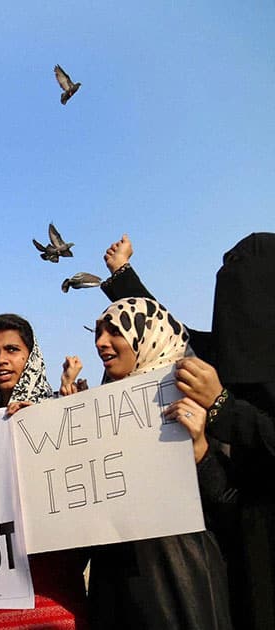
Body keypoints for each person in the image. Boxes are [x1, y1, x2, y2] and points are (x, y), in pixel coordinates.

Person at [102, 232, 275, 629]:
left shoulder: (223, 391)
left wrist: (224, 409)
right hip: (243, 563)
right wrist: (123, 277)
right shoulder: (224, 357)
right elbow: (163, 327)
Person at [66, 297, 232, 629]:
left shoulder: (197, 395)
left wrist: (199, 447)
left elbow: (230, 506)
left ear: (147, 336)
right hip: (114, 588)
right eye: (98, 333)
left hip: (179, 585)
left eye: (114, 331)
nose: (100, 342)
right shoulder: (97, 412)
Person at [0, 313, 89, 629]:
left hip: (50, 588)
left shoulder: (56, 414)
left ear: (31, 356)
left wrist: (44, 430)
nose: (1, 360)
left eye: (12, 350)